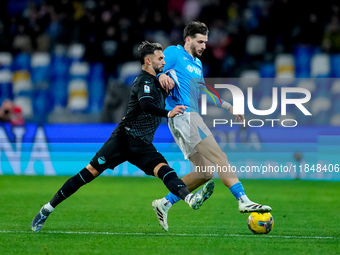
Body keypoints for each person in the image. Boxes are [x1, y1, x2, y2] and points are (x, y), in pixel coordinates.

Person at [31, 41, 214, 232]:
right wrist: (168, 112)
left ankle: (190, 198)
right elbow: (146, 105)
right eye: (160, 58)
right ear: (148, 61)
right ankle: (47, 208)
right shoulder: (143, 81)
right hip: (123, 139)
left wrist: (165, 75)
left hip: (142, 144)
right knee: (88, 174)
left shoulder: (160, 78)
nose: (164, 61)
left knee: (165, 171)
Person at [152, 21, 271, 231]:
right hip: (185, 115)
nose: (204, 46)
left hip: (185, 119)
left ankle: (164, 203)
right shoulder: (173, 53)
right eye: (200, 41)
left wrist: (228, 106)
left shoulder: (197, 64)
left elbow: (203, 89)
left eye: (205, 42)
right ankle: (243, 199)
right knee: (220, 157)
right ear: (188, 39)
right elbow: (153, 67)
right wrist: (160, 74)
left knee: (206, 172)